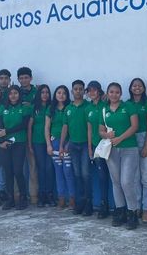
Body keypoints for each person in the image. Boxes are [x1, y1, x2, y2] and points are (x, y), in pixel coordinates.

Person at [99, 82, 140, 230]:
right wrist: (106, 134)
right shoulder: (104, 110)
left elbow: (134, 126)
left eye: (117, 92)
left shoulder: (128, 107)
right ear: (108, 93)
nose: (114, 94)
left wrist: (120, 138)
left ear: (121, 94)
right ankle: (120, 211)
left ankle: (132, 212)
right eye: (111, 92)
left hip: (129, 148)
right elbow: (101, 131)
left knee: (126, 181)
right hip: (112, 150)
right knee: (116, 181)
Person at [61, 80, 92, 216]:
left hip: (85, 144)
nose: (78, 91)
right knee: (77, 174)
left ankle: (88, 204)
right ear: (72, 91)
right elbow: (65, 127)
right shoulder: (68, 108)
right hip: (73, 145)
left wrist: (90, 147)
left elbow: (90, 128)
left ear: (84, 91)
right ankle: (79, 204)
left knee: (85, 174)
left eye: (80, 89)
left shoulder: (88, 106)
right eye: (75, 89)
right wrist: (62, 144)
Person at [0, 85, 32, 210]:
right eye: (10, 93)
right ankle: (10, 199)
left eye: (16, 93)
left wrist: (7, 131)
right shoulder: (3, 108)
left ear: (19, 95)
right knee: (8, 171)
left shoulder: (24, 107)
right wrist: (1, 141)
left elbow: (23, 125)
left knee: (18, 171)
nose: (13, 95)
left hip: (19, 142)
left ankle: (23, 198)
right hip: (5, 144)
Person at [128, 78, 147, 223]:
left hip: (144, 138)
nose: (137, 88)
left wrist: (146, 145)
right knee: (134, 177)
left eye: (139, 85)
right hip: (130, 141)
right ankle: (136, 207)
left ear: (143, 88)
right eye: (134, 85)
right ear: (130, 88)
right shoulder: (127, 104)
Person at [46, 85, 75, 209]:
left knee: (67, 171)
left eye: (64, 93)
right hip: (55, 143)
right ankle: (61, 198)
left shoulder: (69, 108)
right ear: (55, 94)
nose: (61, 95)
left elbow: (72, 128)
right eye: (58, 92)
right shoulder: (50, 109)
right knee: (58, 172)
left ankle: (72, 199)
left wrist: (69, 143)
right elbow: (47, 128)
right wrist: (48, 145)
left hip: (67, 143)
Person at [85, 80, 110, 219]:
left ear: (100, 91)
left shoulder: (105, 104)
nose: (92, 92)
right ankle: (102, 204)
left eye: (94, 90)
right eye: (89, 90)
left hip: (108, 144)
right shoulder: (87, 108)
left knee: (109, 176)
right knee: (101, 176)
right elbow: (89, 129)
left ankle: (109, 205)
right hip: (95, 146)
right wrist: (90, 148)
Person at [28, 84, 56, 207]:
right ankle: (41, 195)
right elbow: (29, 127)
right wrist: (29, 144)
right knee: (41, 169)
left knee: (49, 169)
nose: (45, 94)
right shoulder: (35, 108)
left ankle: (50, 195)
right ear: (39, 94)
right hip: (37, 142)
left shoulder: (52, 107)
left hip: (50, 143)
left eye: (47, 92)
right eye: (42, 92)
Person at [17, 66, 38, 204]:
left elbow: (38, 107)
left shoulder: (37, 92)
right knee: (18, 168)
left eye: (26, 77)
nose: (24, 80)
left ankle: (34, 196)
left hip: (34, 134)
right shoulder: (14, 92)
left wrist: (28, 106)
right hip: (17, 135)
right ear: (18, 79)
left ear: (30, 78)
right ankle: (17, 195)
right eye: (21, 78)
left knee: (33, 167)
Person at [0, 68, 11, 202]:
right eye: (1, 78)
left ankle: (5, 190)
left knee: (6, 164)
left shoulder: (13, 93)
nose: (4, 80)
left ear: (9, 80)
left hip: (10, 133)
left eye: (6, 78)